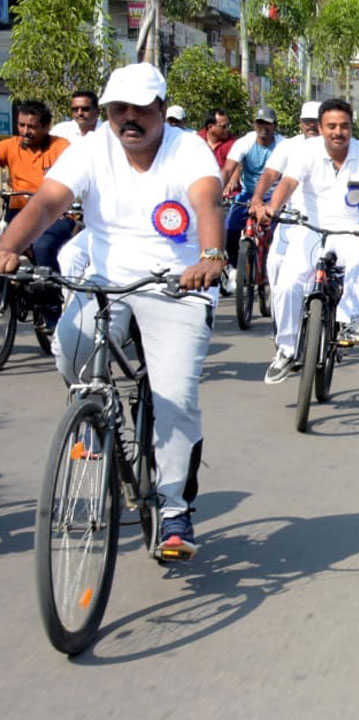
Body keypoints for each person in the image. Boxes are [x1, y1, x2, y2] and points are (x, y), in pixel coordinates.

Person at [0, 63, 226, 559]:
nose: (128, 118)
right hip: (105, 280)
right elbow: (47, 203)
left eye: (140, 109)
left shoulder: (188, 149)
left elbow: (207, 203)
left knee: (175, 397)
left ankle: (174, 510)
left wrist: (210, 256)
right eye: (118, 109)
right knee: (69, 349)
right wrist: (9, 246)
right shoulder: (91, 148)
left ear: (161, 109)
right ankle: (98, 413)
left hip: (178, 283)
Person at [257, 98, 359, 358]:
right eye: (331, 126)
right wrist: (272, 206)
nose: (338, 132)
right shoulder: (307, 151)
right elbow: (288, 183)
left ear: (351, 127)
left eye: (344, 126)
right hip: (310, 228)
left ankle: (348, 321)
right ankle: (286, 350)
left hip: (352, 228)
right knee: (287, 285)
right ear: (320, 128)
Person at [251, 101, 322, 383]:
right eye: (307, 121)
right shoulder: (289, 147)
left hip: (324, 223)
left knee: (317, 277)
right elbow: (271, 174)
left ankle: (325, 319)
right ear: (300, 123)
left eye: (316, 121)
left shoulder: (337, 148)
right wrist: (258, 199)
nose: (311, 126)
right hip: (291, 220)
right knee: (276, 273)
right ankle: (283, 334)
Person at [0, 99, 73, 327]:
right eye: (21, 125)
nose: (25, 131)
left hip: (54, 213)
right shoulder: (10, 146)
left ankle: (52, 311)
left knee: (43, 246)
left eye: (31, 127)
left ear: (46, 127)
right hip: (18, 212)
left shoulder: (60, 147)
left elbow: (75, 178)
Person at [222, 108, 283, 281]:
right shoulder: (245, 142)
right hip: (248, 193)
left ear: (275, 126)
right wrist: (216, 191)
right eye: (260, 123)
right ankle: (234, 266)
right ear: (254, 125)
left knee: (276, 233)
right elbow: (228, 169)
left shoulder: (282, 145)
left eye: (268, 124)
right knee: (230, 228)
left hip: (274, 195)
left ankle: (272, 270)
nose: (264, 127)